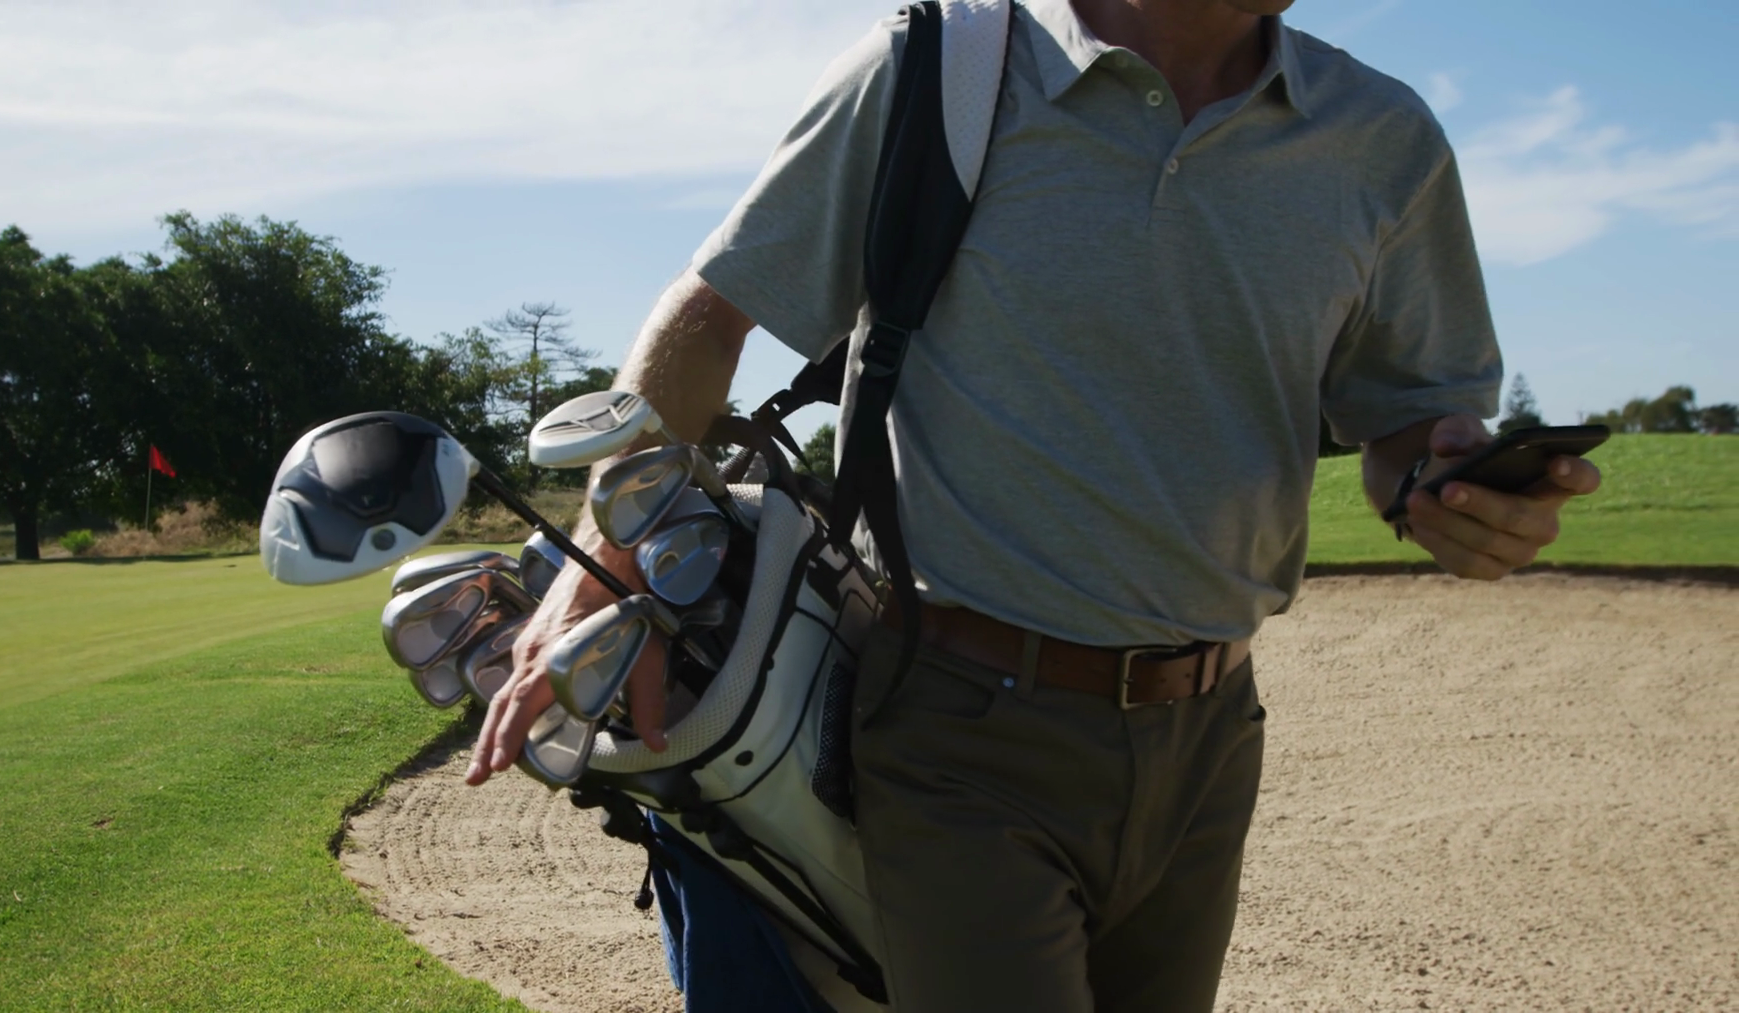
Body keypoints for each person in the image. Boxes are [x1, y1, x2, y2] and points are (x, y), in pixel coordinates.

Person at [465, 0, 1604, 1009]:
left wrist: (1440, 484)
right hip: (961, 729)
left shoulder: (1382, 136)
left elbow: (1411, 411)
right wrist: (599, 567)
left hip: (1211, 734)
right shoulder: (939, 69)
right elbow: (715, 313)